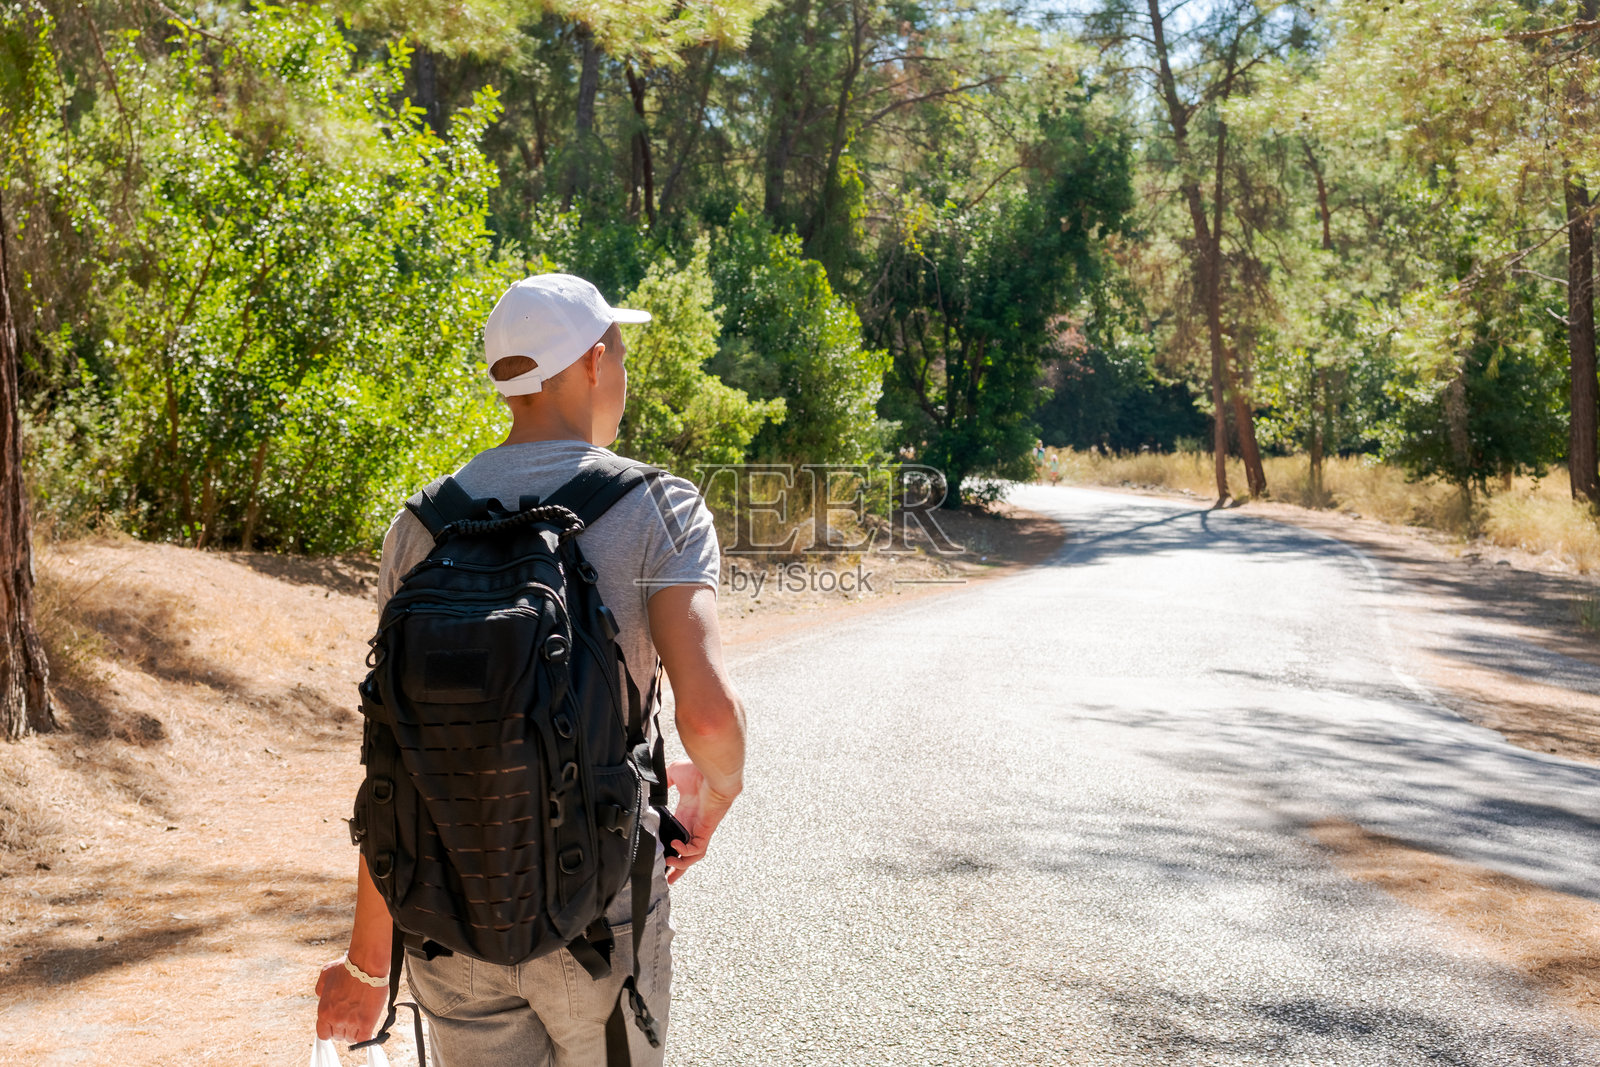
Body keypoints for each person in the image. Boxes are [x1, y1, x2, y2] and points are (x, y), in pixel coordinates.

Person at [314, 273, 747, 1066]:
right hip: (601, 913)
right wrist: (713, 796)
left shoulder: (420, 524)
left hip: (447, 921)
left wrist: (367, 960)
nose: (621, 370)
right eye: (618, 350)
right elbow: (710, 718)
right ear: (590, 361)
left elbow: (398, 759)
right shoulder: (660, 507)